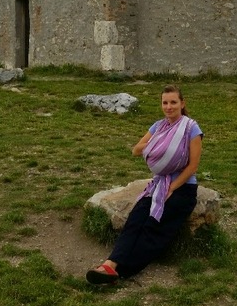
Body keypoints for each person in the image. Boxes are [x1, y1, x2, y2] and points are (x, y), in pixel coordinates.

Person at [86, 84, 203, 284]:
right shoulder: (158, 127)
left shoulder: (191, 128)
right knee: (136, 219)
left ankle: (122, 271)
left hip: (183, 188)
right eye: (165, 103)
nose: (169, 107)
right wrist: (158, 143)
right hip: (159, 185)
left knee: (153, 228)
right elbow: (136, 150)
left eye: (173, 102)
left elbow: (192, 166)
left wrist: (172, 188)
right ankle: (110, 264)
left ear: (182, 104)